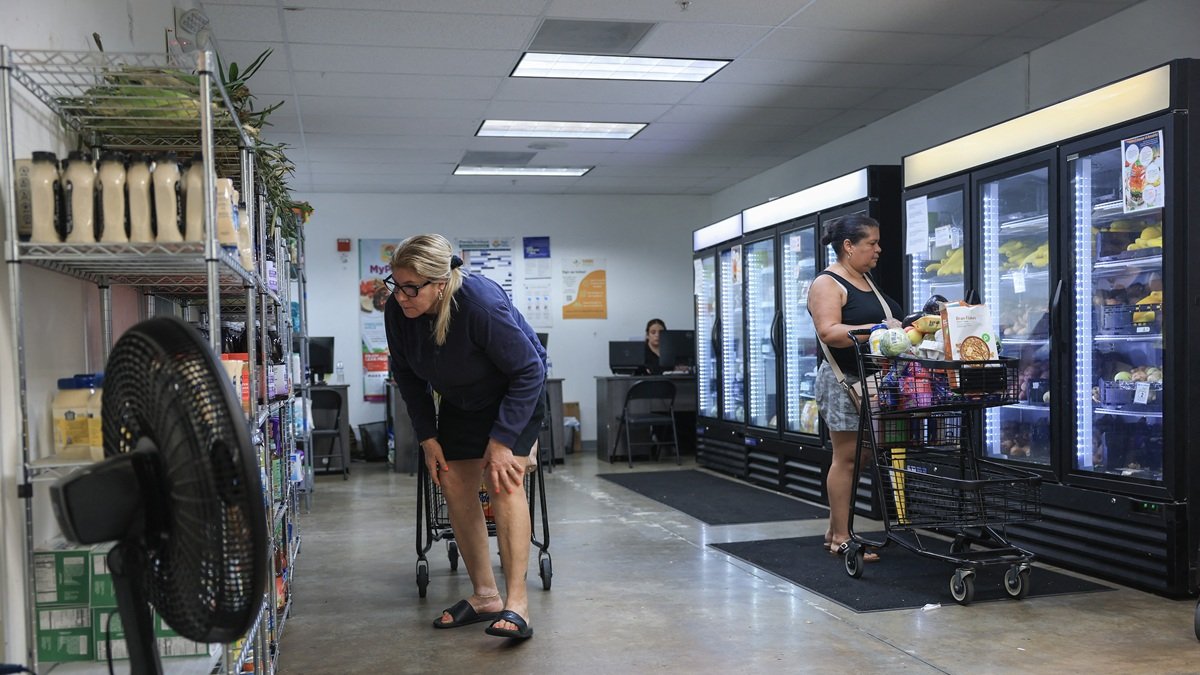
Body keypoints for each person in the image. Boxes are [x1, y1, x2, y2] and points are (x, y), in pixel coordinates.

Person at [384, 234, 546, 641]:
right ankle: (486, 595)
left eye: (410, 287)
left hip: (514, 395)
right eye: (395, 283)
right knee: (454, 483)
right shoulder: (397, 310)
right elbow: (405, 374)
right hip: (460, 401)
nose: (400, 296)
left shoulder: (477, 305)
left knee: (503, 481)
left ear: (440, 283)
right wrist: (427, 436)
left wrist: (504, 441)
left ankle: (517, 603)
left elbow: (529, 371)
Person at [806, 214, 902, 561]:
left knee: (860, 456)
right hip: (844, 381)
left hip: (873, 380)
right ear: (848, 246)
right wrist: (879, 328)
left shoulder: (865, 280)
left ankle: (834, 529)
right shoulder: (828, 283)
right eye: (871, 243)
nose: (879, 249)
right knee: (847, 458)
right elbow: (829, 332)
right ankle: (841, 538)